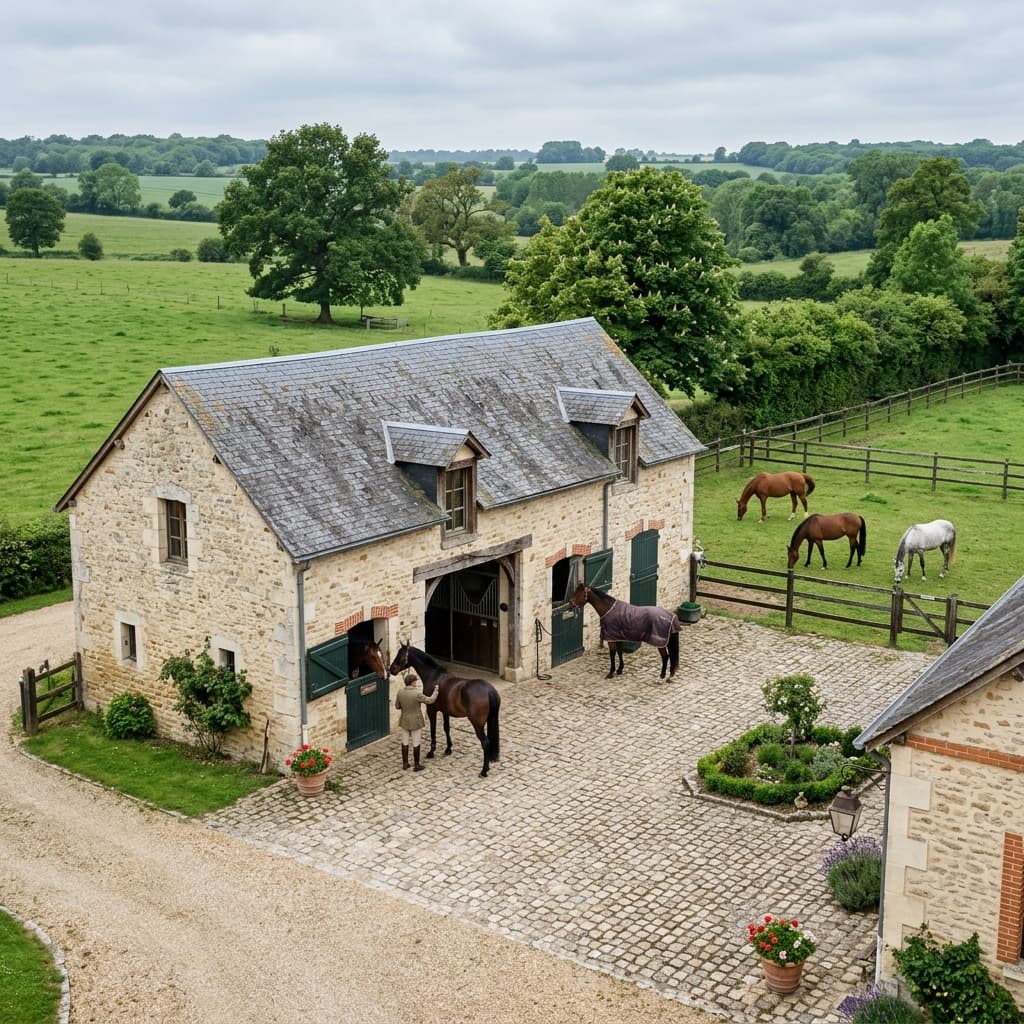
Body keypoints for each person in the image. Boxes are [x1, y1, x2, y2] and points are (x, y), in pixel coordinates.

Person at [394, 671, 438, 771]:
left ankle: (405, 764)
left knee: (405, 742)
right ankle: (417, 764)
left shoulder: (400, 692)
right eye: (415, 681)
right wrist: (436, 691)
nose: (416, 683)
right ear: (412, 682)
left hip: (404, 720)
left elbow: (397, 706)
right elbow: (430, 700)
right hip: (416, 721)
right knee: (416, 743)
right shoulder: (417, 693)